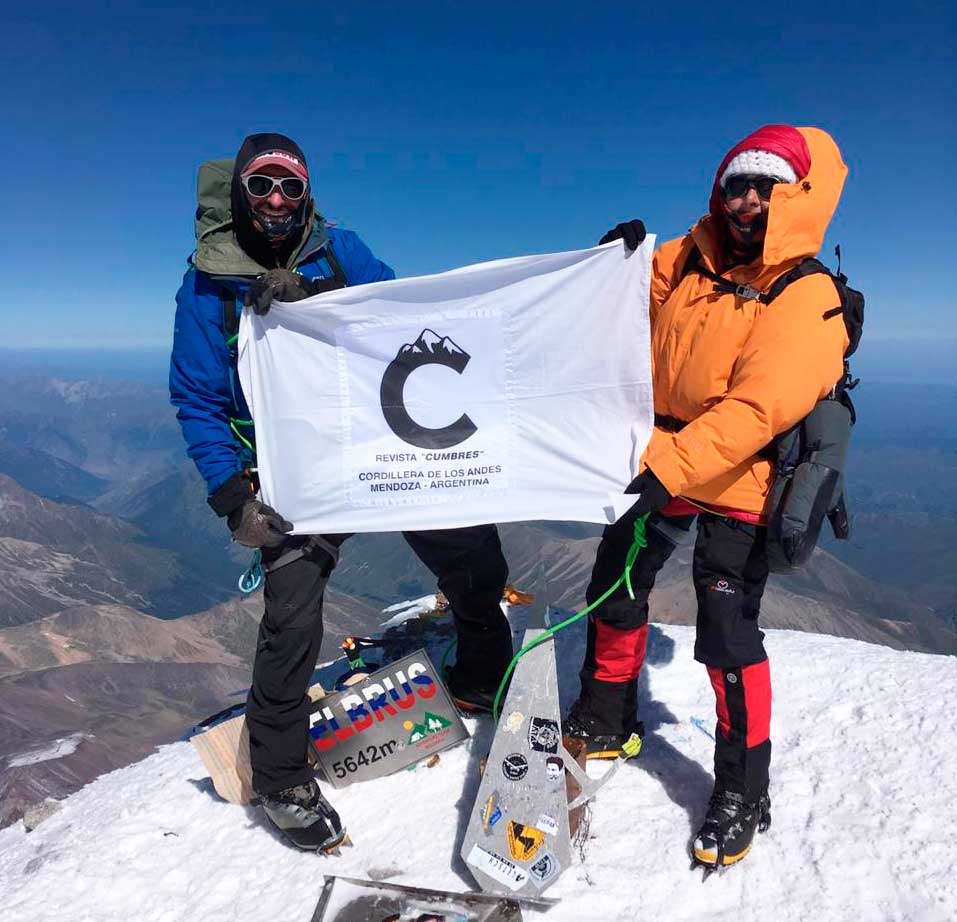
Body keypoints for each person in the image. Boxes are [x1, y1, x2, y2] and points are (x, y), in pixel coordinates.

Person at [170, 133, 513, 852]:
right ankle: (280, 777)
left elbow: (397, 314)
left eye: (289, 188)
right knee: (292, 615)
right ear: (238, 191)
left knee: (465, 544)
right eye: (261, 185)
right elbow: (197, 396)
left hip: (373, 443)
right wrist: (233, 495)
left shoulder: (337, 248)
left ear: (307, 196)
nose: (274, 201)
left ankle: (483, 664)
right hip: (295, 470)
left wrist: (319, 297)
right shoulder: (207, 281)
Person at [565, 125, 850, 870]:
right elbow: (617, 300)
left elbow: (761, 408)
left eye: (766, 186)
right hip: (661, 456)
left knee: (725, 630)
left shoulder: (807, 293)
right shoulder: (687, 259)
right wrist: (609, 261)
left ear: (795, 196)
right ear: (717, 192)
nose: (748, 199)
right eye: (736, 184)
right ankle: (605, 717)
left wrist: (670, 468)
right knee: (615, 584)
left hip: (741, 475)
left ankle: (741, 789)